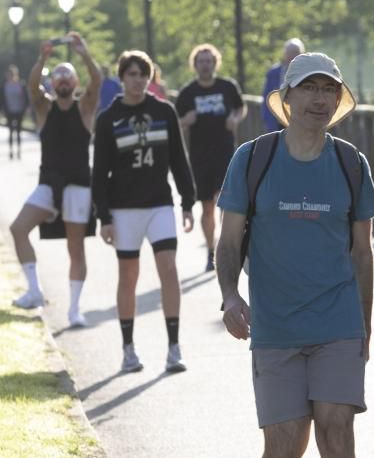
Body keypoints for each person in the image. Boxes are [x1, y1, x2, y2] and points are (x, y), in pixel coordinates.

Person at [215, 52, 374, 458]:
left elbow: (363, 254)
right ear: (286, 101)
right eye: (308, 89)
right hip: (276, 327)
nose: (319, 99)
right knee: (283, 451)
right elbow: (230, 240)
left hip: (336, 322)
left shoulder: (351, 164)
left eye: (329, 90)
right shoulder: (253, 159)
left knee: (338, 437)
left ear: (338, 102)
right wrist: (230, 294)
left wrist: (364, 329)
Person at [92, 50, 196, 373]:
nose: (137, 80)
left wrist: (188, 201)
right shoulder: (108, 119)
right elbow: (99, 174)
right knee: (129, 276)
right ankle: (128, 349)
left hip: (159, 205)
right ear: (122, 78)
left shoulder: (164, 111)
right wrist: (104, 217)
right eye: (132, 74)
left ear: (150, 78)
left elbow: (179, 160)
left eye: (143, 74)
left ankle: (174, 348)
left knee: (168, 268)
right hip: (124, 209)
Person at [9, 34, 101, 327]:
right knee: (18, 228)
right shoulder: (44, 108)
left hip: (77, 186)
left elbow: (97, 82)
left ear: (74, 84)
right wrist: (43, 57)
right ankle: (34, 290)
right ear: (54, 84)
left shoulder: (84, 108)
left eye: (67, 79)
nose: (62, 83)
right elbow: (32, 87)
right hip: (49, 183)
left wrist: (84, 55)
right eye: (58, 79)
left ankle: (74, 309)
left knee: (75, 248)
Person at [176, 44, 246, 272]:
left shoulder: (227, 87)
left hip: (225, 153)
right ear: (194, 65)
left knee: (226, 204)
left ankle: (228, 249)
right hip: (199, 155)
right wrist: (186, 120)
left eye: (209, 61)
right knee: (207, 207)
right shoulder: (187, 93)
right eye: (201, 61)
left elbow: (240, 107)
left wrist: (235, 119)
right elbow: (175, 123)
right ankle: (210, 250)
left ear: (215, 63)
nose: (205, 65)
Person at [260, 38, 304, 132]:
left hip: (302, 125)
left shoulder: (308, 74)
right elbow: (266, 98)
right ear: (284, 54)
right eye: (290, 52)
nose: (292, 56)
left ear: (301, 54)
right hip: (277, 124)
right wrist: (269, 124)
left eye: (295, 52)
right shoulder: (273, 73)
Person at [0, 65, 29, 160]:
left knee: (18, 132)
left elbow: (26, 97)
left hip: (19, 110)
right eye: (8, 75)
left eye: (11, 75)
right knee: (11, 131)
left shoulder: (21, 84)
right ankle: (11, 151)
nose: (10, 76)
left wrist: (27, 107)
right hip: (9, 110)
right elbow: (0, 99)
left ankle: (19, 151)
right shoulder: (4, 85)